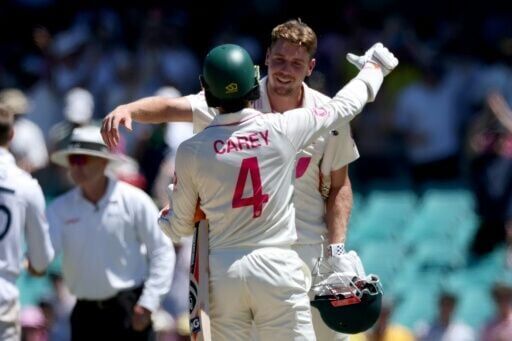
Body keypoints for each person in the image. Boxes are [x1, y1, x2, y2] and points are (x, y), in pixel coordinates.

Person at [102, 20, 366, 339]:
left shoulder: (323, 111)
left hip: (310, 253)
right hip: (256, 255)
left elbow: (339, 187)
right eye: (279, 60)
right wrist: (129, 108)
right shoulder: (238, 98)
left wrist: (336, 254)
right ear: (266, 57)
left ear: (310, 67)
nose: (285, 70)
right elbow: (173, 106)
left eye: (296, 63)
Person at [158, 41, 397, 339]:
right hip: (277, 267)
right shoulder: (283, 129)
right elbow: (343, 107)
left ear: (205, 89)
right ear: (254, 84)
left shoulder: (191, 150)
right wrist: (374, 70)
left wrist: (166, 215)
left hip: (223, 272)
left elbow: (178, 227)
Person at [46, 125, 175, 341]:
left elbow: (162, 251)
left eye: (82, 159)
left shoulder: (134, 200)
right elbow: (45, 254)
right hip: (85, 314)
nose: (76, 166)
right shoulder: (59, 208)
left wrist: (149, 302)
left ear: (104, 162)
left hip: (130, 309)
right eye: (72, 160)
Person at [0, 104, 54, 341]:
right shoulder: (26, 185)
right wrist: (35, 265)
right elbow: (41, 259)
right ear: (11, 135)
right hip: (4, 297)